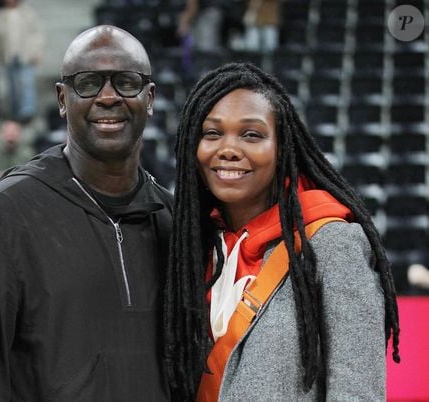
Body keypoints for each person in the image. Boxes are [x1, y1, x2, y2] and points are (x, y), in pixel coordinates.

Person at [0, 25, 173, 401]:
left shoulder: (172, 220)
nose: (108, 97)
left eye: (126, 82)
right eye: (88, 82)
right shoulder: (4, 216)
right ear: (62, 99)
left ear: (150, 97)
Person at [163, 62, 400, 401]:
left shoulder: (332, 243)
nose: (228, 149)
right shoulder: (191, 247)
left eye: (251, 134)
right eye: (212, 133)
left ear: (281, 148)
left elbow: (357, 390)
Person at [0, 0, 44, 122]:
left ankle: (27, 111)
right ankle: (15, 112)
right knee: (12, 86)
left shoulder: (28, 13)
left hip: (25, 54)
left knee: (27, 83)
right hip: (7, 56)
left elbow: (36, 34)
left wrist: (37, 52)